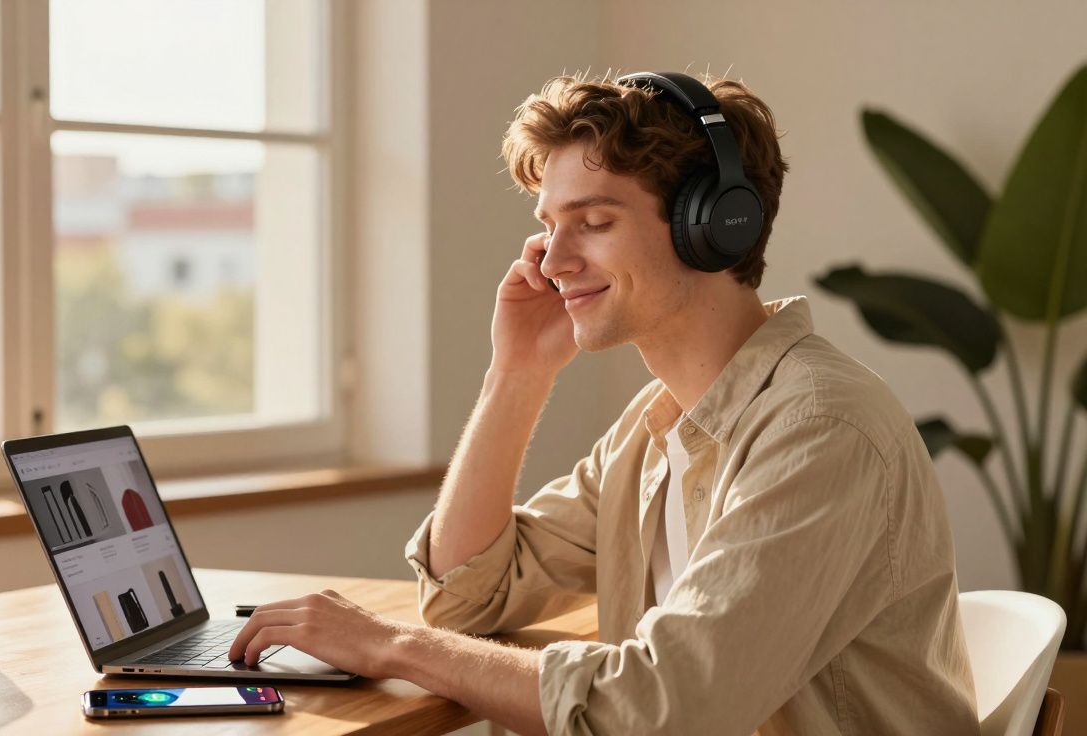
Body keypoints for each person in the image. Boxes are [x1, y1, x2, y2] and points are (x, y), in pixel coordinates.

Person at [229, 70, 979, 735]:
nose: (553, 262)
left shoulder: (820, 429)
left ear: (714, 225)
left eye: (592, 223)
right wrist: (515, 374)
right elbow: (465, 597)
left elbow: (666, 709)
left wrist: (392, 646)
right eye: (549, 229)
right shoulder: (656, 432)